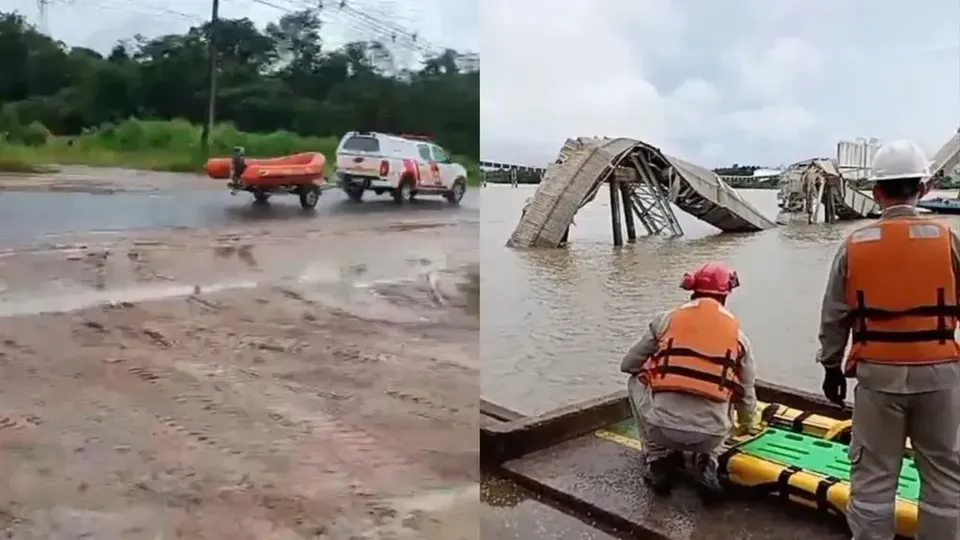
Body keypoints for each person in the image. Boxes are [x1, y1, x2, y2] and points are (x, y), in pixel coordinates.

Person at [816, 139, 960, 540]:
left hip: (878, 375)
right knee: (946, 478)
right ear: (924, 189)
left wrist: (831, 367)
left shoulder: (854, 246)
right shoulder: (948, 240)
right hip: (941, 373)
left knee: (874, 478)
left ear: (876, 192)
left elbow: (834, 316)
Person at [620, 261, 758, 498]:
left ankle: (657, 459)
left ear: (692, 290)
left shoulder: (664, 321)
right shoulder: (739, 338)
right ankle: (709, 463)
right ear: (726, 295)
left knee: (636, 380)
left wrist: (658, 370)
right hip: (711, 436)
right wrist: (747, 423)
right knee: (728, 386)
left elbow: (628, 365)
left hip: (661, 431)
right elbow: (746, 395)